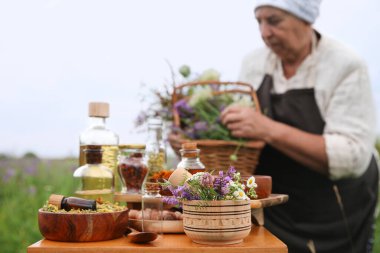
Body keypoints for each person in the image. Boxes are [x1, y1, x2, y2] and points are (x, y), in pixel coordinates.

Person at [220, 0, 379, 252]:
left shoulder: (344, 65)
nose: (264, 33)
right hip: (275, 207)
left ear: (306, 18)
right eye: (259, 22)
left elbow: (351, 157)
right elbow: (241, 138)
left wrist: (268, 129)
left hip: (334, 212)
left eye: (273, 21)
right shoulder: (254, 64)